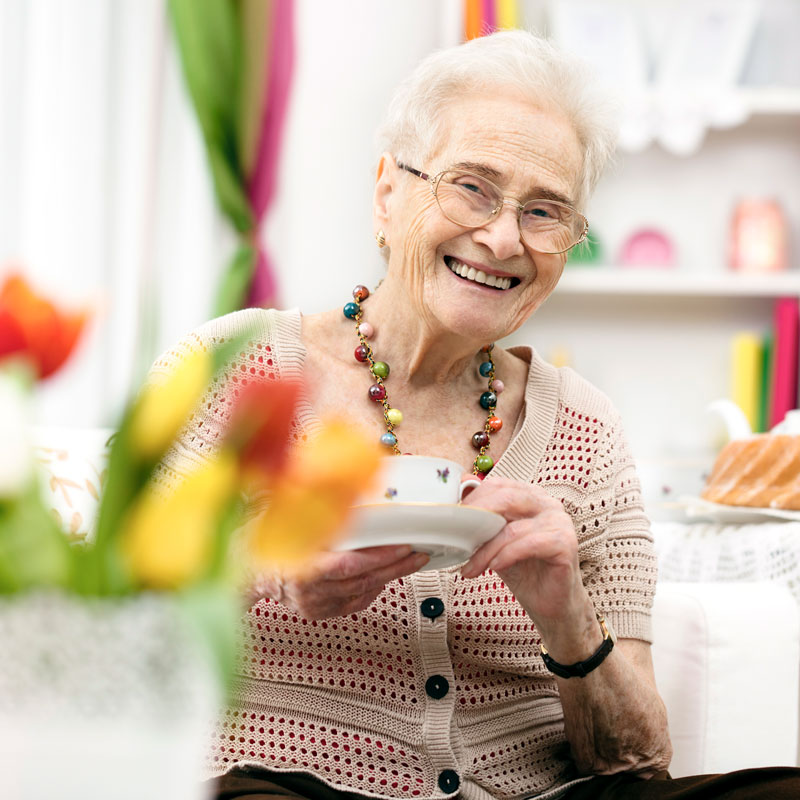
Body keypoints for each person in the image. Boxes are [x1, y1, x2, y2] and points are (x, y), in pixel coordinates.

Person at [151, 30, 800, 800]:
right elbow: (104, 641)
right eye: (472, 187)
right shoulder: (232, 371)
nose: (502, 237)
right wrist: (267, 569)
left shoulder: (586, 432)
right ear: (388, 190)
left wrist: (567, 615)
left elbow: (637, 764)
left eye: (544, 211)